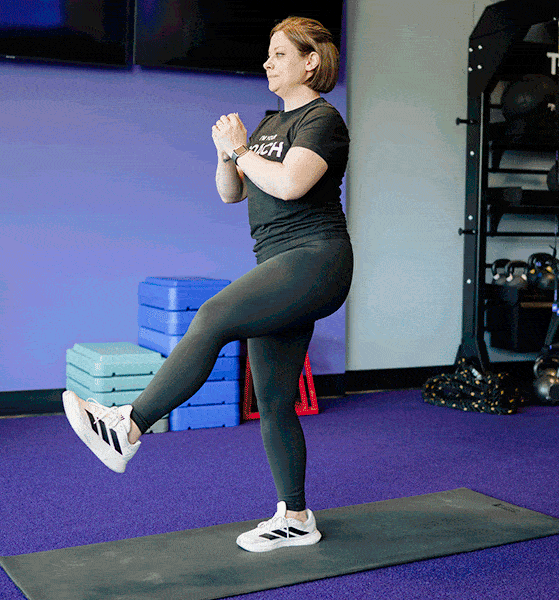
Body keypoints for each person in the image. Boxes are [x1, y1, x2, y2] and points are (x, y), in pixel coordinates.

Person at [63, 15, 352, 553]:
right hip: (281, 265)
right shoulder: (268, 125)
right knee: (274, 399)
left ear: (311, 61)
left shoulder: (321, 119)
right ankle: (296, 515)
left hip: (315, 260)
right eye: (268, 55)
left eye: (280, 54)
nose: (268, 62)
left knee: (214, 315)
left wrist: (242, 151)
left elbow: (291, 184)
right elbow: (231, 194)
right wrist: (226, 156)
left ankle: (128, 427)